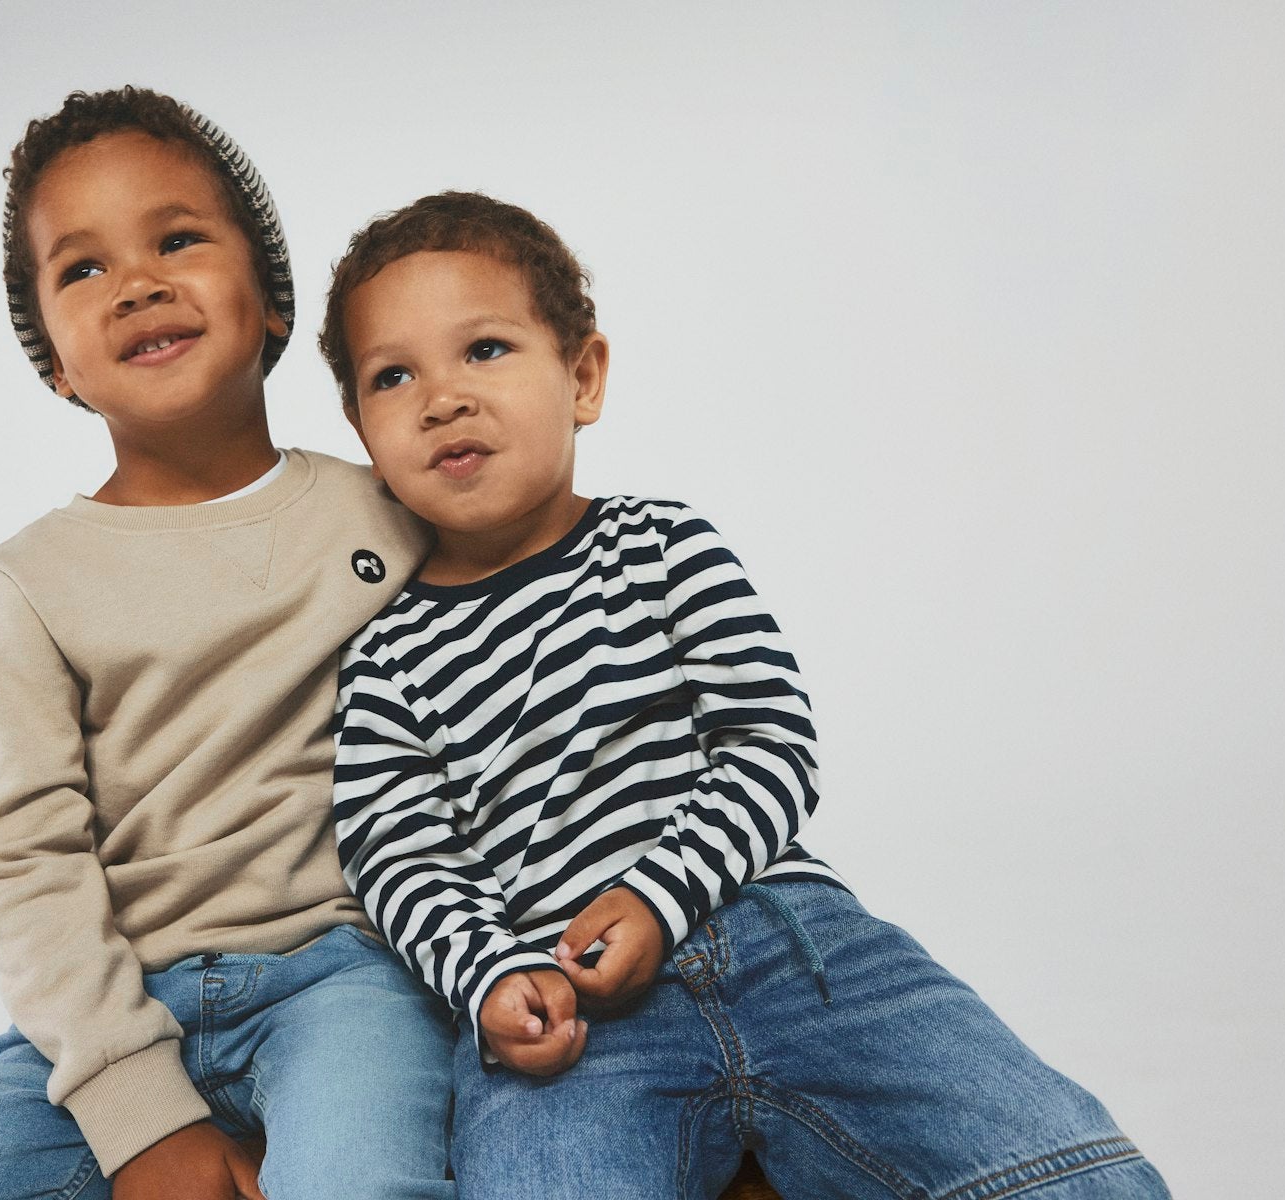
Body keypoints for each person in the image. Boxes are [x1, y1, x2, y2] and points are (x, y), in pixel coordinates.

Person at [321, 191, 1171, 1199]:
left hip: (787, 944)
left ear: (583, 378)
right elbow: (398, 853)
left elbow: (771, 745)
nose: (442, 398)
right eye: (393, 376)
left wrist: (657, 894)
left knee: (1073, 1176)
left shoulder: (663, 544)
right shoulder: (383, 654)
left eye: (486, 350)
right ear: (362, 431)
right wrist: (493, 976)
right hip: (565, 1011)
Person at [0, 88, 454, 1200]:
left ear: (270, 301)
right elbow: (24, 862)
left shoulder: (393, 512)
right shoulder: (23, 589)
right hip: (110, 1011)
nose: (137, 283)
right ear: (55, 363)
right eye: (83, 269)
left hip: (348, 985)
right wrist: (137, 1114)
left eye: (177, 240)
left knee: (362, 1181)